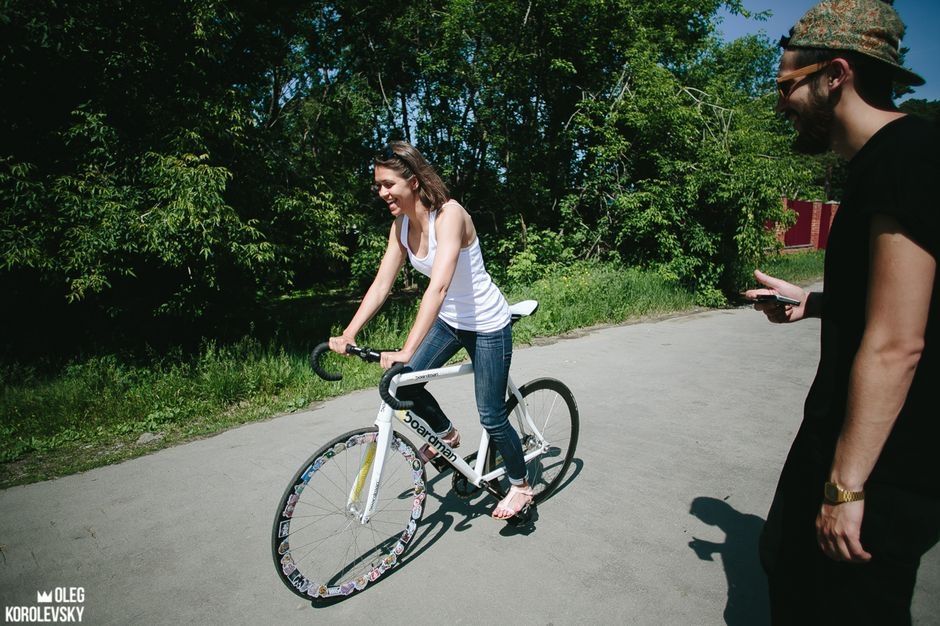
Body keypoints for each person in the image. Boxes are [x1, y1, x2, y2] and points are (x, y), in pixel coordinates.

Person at [744, 0, 939, 622]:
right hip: (852, 440)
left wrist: (846, 486)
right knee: (786, 567)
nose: (781, 104)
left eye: (786, 86)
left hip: (885, 463)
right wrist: (816, 301)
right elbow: (901, 301)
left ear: (835, 75)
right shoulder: (881, 163)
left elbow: (897, 342)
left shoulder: (906, 155)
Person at [328, 140, 533, 520]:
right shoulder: (401, 226)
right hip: (451, 323)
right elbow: (381, 284)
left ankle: (521, 486)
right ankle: (447, 436)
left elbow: (437, 287)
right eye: (378, 185)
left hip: (487, 325)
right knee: (401, 383)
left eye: (388, 184)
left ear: (414, 181)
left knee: (490, 414)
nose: (382, 192)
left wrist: (407, 349)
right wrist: (349, 333)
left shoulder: (450, 215)